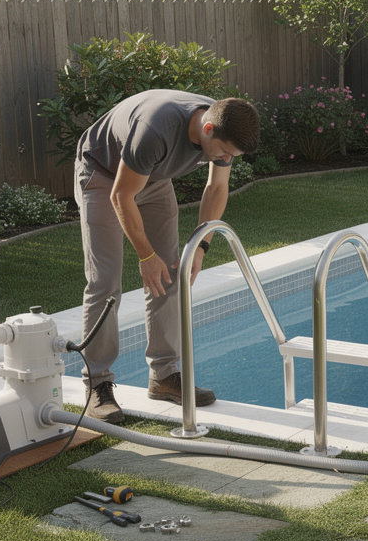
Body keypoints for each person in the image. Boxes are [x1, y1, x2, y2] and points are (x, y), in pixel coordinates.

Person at [73, 90, 259, 424]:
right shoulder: (155, 128)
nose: (225, 159)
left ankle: (164, 375)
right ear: (207, 130)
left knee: (173, 272)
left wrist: (201, 247)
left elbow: (217, 189)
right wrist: (146, 256)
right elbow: (121, 195)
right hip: (103, 175)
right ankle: (97, 385)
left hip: (153, 177)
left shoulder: (223, 124)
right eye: (225, 151)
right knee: (105, 282)